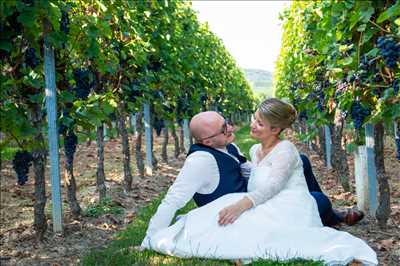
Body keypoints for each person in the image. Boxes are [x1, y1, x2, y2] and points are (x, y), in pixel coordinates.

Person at [142, 98, 377, 265]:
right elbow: (174, 198)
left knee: (304, 167)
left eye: (227, 123)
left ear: (275, 129)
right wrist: (150, 237)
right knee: (318, 200)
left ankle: (330, 215)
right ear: (207, 142)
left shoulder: (233, 146)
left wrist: (247, 197)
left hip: (267, 203)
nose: (233, 127)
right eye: (224, 128)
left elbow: (259, 176)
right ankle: (331, 215)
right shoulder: (203, 160)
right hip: (248, 208)